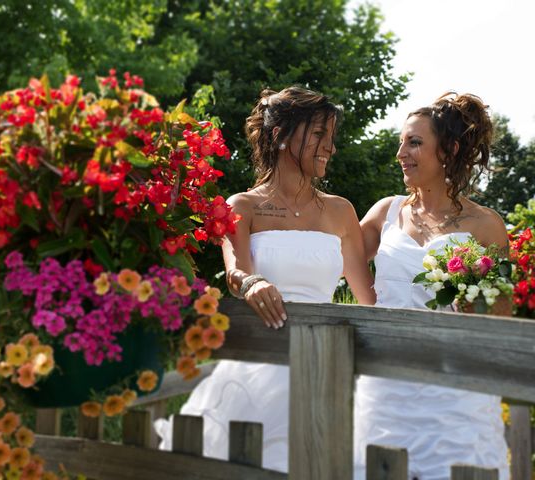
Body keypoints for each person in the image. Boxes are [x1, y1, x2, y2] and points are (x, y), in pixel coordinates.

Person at [155, 86, 375, 471]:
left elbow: (368, 299)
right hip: (259, 362)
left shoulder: (342, 212)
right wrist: (252, 282)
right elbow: (235, 272)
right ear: (281, 136)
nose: (331, 147)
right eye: (320, 135)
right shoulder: (242, 205)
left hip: (321, 364)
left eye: (331, 136)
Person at [356, 92, 509, 480]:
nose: (400, 153)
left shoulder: (485, 225)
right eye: (401, 142)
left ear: (449, 150)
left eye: (414, 142)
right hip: (387, 385)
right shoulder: (385, 212)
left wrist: (475, 307)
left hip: (455, 387)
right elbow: (338, 260)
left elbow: (501, 314)